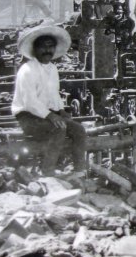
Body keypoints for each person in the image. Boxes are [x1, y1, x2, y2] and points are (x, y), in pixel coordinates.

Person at [11, 23, 86, 175]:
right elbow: (30, 102)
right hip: (28, 118)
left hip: (47, 115)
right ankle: (48, 171)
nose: (47, 50)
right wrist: (51, 116)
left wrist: (61, 111)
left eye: (51, 46)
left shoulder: (52, 68)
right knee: (58, 129)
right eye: (43, 47)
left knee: (78, 129)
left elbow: (54, 94)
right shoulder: (27, 70)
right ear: (35, 49)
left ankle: (79, 170)